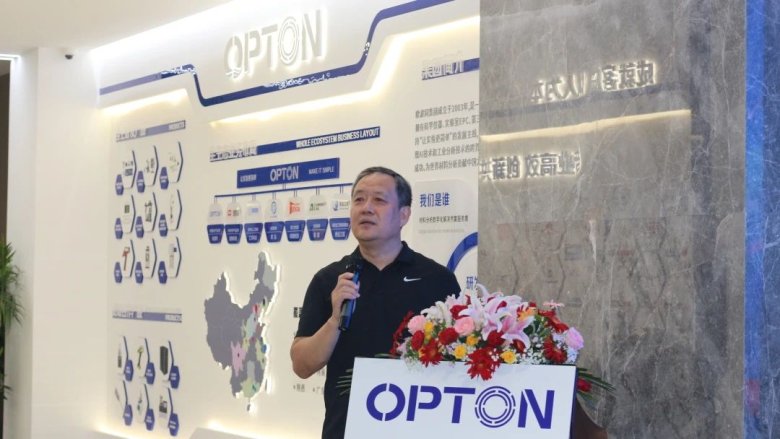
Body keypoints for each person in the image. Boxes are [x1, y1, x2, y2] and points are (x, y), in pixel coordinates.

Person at [290, 166, 461, 439]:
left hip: (417, 429)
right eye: (359, 199)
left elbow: (458, 360)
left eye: (379, 200)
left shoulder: (437, 279)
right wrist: (335, 320)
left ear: (404, 215)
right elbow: (302, 365)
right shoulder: (330, 279)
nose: (366, 208)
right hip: (345, 430)